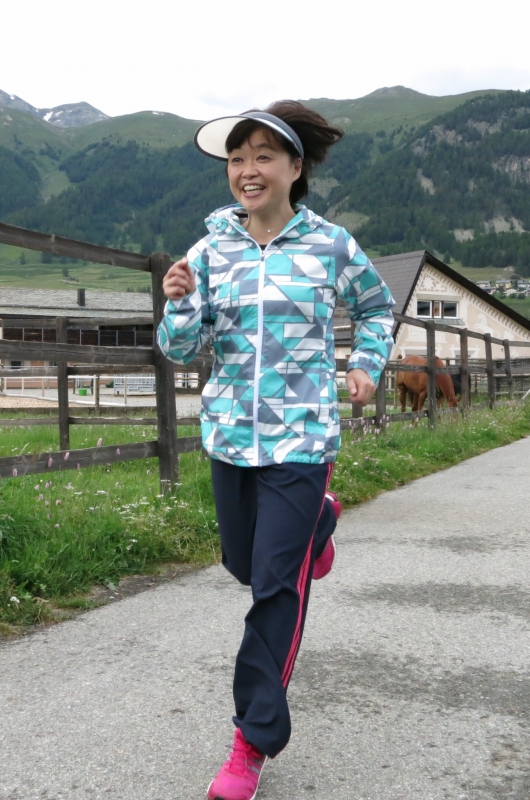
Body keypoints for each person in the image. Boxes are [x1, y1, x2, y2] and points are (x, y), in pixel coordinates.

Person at [157, 100, 395, 800]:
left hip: (303, 439)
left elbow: (376, 307)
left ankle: (250, 741)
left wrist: (366, 365)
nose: (248, 170)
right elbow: (179, 350)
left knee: (274, 587)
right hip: (230, 436)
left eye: (264, 156)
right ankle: (322, 520)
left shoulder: (332, 245)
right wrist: (178, 303)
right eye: (238, 158)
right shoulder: (209, 251)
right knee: (242, 563)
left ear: (295, 168)